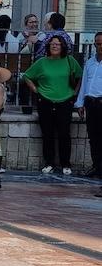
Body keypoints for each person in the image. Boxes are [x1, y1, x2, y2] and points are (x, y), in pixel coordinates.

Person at [24, 34, 82, 175]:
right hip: (45, 101)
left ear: (63, 46)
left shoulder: (70, 60)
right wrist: (36, 90)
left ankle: (65, 164)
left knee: (64, 134)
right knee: (47, 134)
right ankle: (49, 163)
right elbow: (27, 76)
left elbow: (80, 77)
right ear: (48, 46)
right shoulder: (41, 62)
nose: (55, 46)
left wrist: (75, 93)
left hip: (65, 101)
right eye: (52, 44)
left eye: (58, 44)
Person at [75, 32, 102, 178]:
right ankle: (96, 166)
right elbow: (85, 83)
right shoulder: (90, 62)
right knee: (93, 137)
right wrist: (80, 103)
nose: (100, 46)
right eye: (98, 43)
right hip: (91, 103)